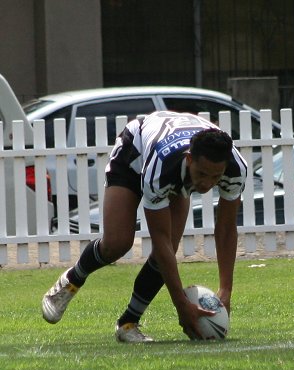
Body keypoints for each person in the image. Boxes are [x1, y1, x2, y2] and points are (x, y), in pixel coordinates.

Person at [42, 111, 247, 342]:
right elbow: (159, 239)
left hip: (174, 157)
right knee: (118, 244)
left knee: (170, 247)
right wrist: (182, 306)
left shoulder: (235, 168)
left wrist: (226, 291)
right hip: (136, 151)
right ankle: (72, 280)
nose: (208, 184)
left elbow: (227, 229)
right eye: (202, 174)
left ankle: (128, 323)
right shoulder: (162, 167)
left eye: (215, 177)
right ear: (190, 159)